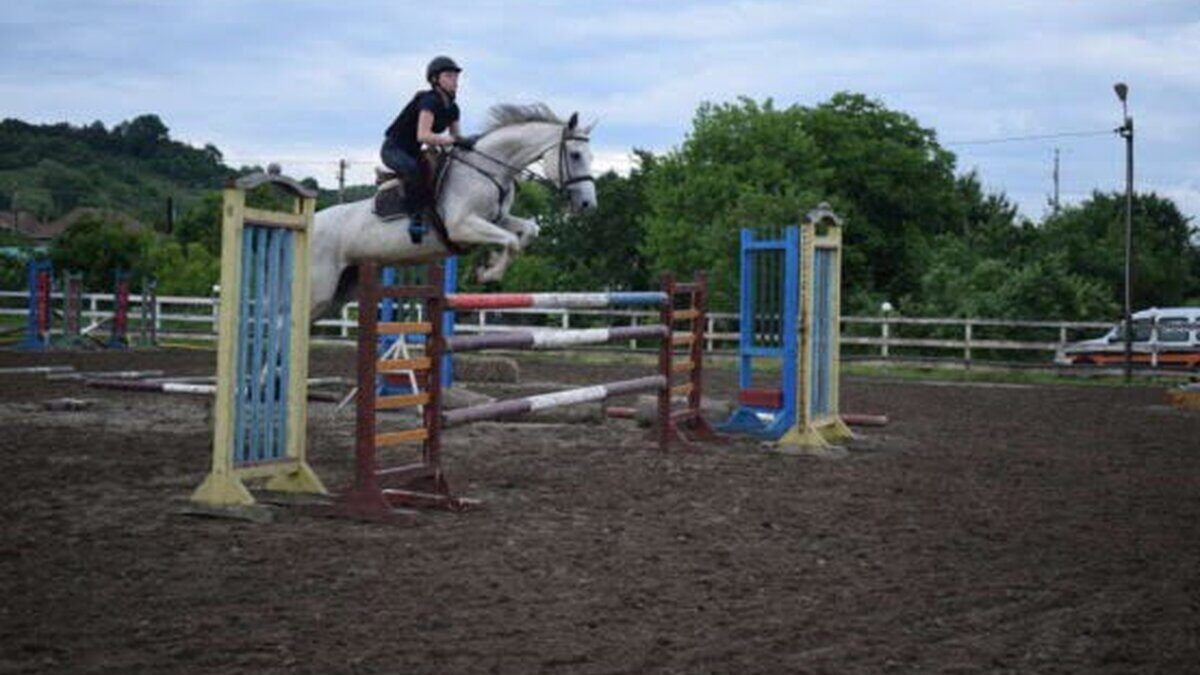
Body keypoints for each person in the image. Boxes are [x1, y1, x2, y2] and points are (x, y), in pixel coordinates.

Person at [381, 55, 475, 242]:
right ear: (435, 79)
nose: (455, 80)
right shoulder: (429, 101)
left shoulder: (453, 108)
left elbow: (455, 138)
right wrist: (454, 141)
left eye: (456, 76)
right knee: (414, 171)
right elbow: (423, 136)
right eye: (449, 76)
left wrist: (469, 146)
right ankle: (415, 219)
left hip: (413, 152)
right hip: (393, 149)